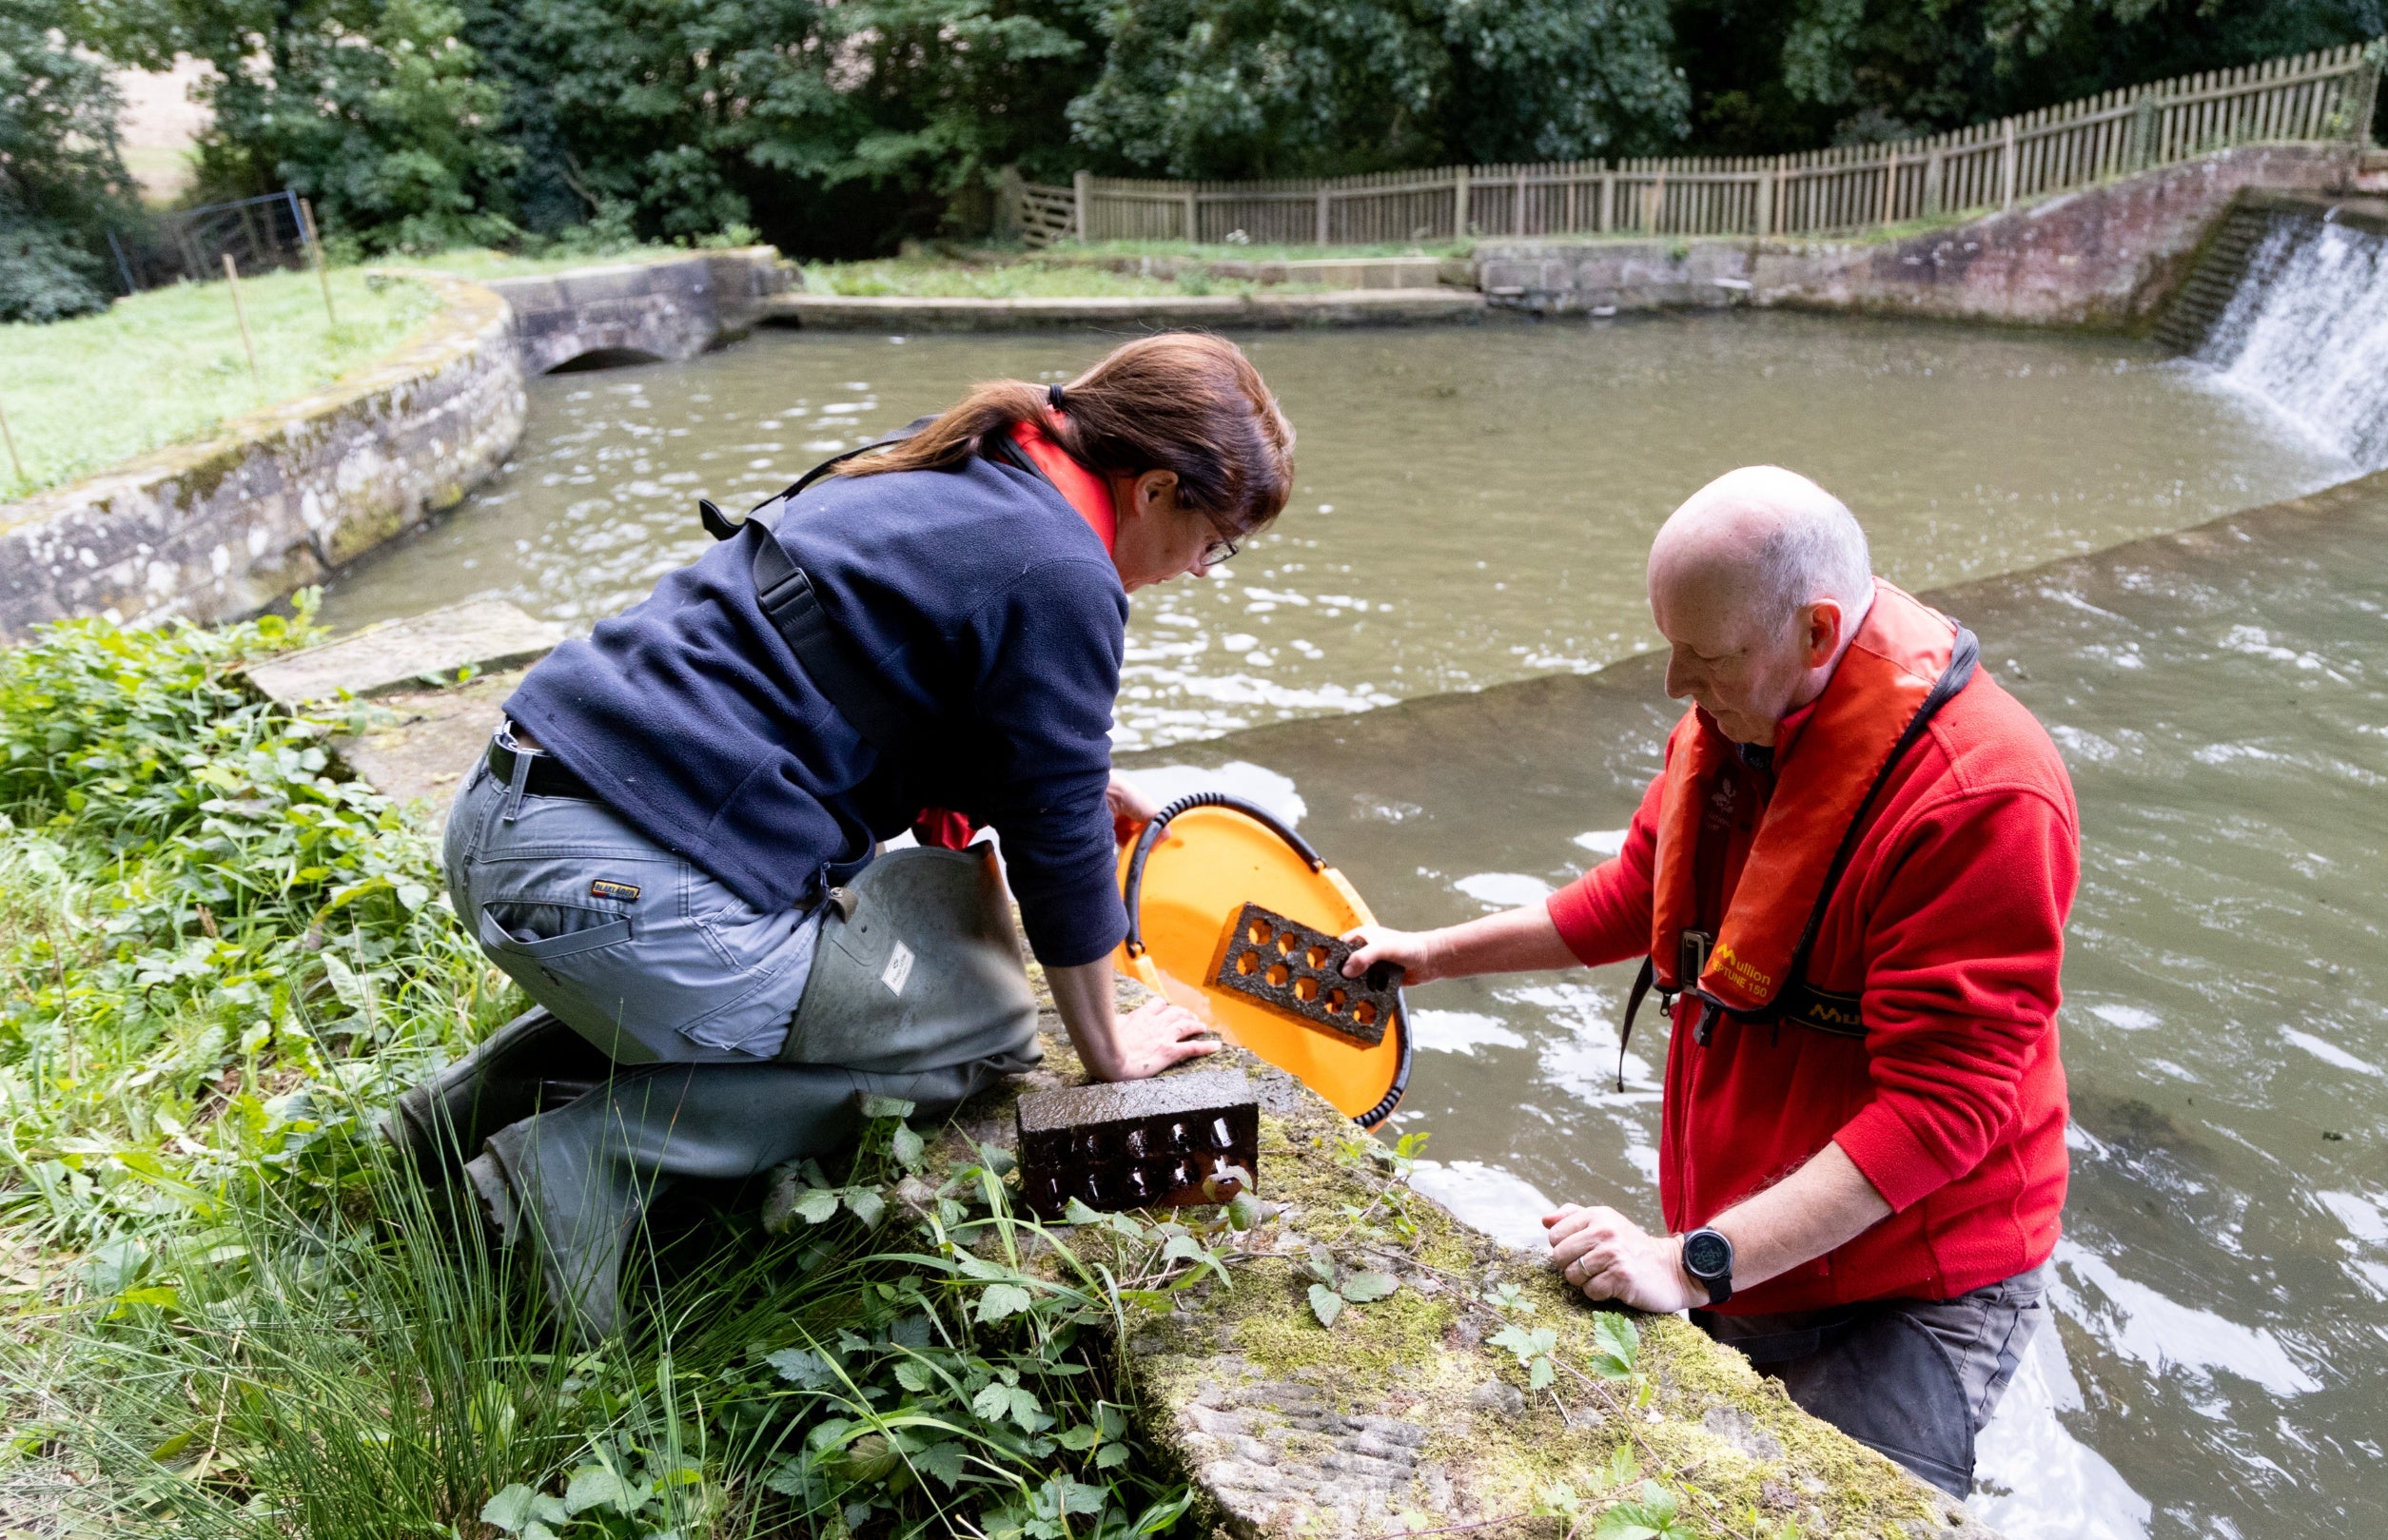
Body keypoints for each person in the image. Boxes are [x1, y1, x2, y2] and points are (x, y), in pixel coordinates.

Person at [398, 332, 1295, 1338]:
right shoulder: (1065, 571)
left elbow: (911, 690)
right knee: (979, 1029)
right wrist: (1107, 1048)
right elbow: (1058, 840)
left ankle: (444, 1126)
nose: (1203, 570)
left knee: (825, 960)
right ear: (1157, 488)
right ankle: (589, 1163)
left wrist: (1082, 780)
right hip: (620, 890)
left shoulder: (966, 456)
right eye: (1217, 541)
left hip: (509, 815)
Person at [1343, 466, 2074, 1497]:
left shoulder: (1982, 797)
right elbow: (1641, 893)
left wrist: (1687, 1265)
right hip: (1753, 1239)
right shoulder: (1746, 707)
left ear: (1816, 631)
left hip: (1910, 1281)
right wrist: (1430, 949)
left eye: (1704, 654)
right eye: (1671, 646)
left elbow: (1940, 1110)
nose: (1675, 683)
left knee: (1839, 1509)